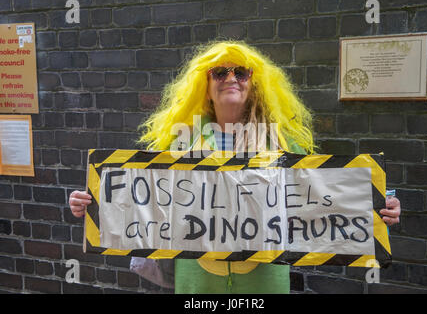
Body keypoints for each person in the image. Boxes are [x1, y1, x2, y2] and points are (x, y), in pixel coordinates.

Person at [69, 41, 401, 293]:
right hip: (197, 279)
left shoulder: (283, 144)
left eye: (240, 72)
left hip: (264, 279)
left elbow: (325, 195)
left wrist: (379, 206)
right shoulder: (178, 145)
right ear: (205, 85)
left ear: (254, 83)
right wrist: (94, 203)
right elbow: (142, 202)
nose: (232, 79)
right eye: (220, 72)